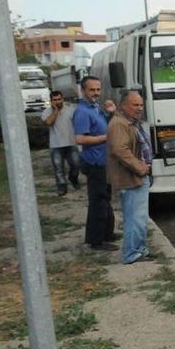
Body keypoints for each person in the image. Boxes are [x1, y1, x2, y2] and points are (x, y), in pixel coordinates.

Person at [107, 90, 154, 264]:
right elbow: (120, 150)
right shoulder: (119, 124)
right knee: (135, 218)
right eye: (135, 105)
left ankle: (139, 250)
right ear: (124, 105)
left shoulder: (130, 122)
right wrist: (140, 168)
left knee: (140, 218)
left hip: (138, 178)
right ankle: (132, 254)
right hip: (131, 179)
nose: (139, 108)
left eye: (141, 105)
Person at [73, 76, 117, 251]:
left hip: (103, 161)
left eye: (98, 89)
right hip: (94, 162)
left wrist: (111, 113)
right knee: (98, 201)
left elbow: (105, 125)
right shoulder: (82, 112)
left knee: (105, 198)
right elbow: (80, 138)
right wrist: (106, 138)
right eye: (92, 90)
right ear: (83, 90)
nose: (96, 93)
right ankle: (96, 241)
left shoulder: (95, 108)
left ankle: (107, 233)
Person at [41, 90, 81, 196]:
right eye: (55, 100)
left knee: (76, 165)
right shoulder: (46, 112)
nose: (57, 101)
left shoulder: (70, 110)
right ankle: (62, 187)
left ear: (62, 99)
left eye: (59, 99)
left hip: (71, 143)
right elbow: (49, 122)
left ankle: (73, 178)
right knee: (58, 169)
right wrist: (55, 110)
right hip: (56, 145)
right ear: (51, 101)